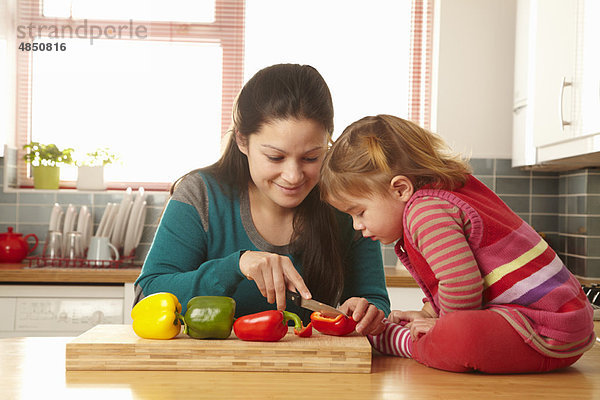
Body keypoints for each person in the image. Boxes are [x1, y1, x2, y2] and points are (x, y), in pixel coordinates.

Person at [319, 114, 596, 373]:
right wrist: (428, 313)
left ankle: (401, 342)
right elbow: (455, 278)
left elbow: (462, 285)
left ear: (400, 189)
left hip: (542, 329)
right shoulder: (449, 191)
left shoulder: (424, 211)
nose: (357, 225)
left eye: (360, 212)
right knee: (453, 328)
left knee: (458, 335)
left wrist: (440, 327)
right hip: (561, 331)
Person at [134, 64, 390, 335]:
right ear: (242, 141)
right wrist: (235, 266)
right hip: (207, 373)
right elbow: (146, 297)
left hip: (312, 371)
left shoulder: (347, 204)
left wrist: (367, 310)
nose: (293, 176)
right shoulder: (200, 195)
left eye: (311, 158)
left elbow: (374, 300)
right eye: (275, 157)